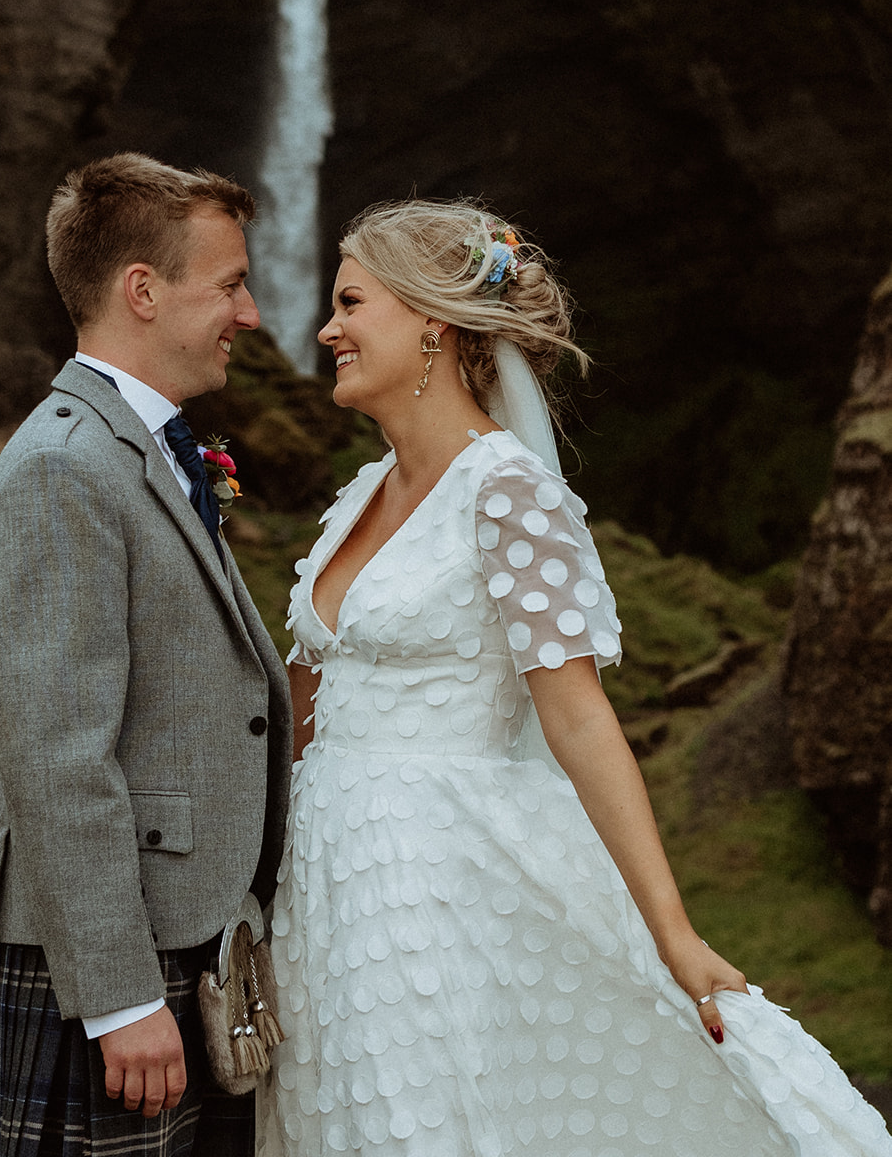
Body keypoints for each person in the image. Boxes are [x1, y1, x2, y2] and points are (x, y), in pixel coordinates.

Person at [258, 198, 892, 1157]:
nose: (326, 330)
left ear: (432, 318)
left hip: (445, 886)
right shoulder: (358, 497)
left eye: (350, 303)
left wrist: (671, 933)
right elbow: (306, 710)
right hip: (323, 888)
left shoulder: (507, 491)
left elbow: (579, 720)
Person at [0, 153, 292, 1157]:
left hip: (176, 934)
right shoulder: (64, 470)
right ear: (142, 291)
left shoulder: (139, 450)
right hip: (109, 962)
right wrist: (116, 999)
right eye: (231, 283)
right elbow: (56, 754)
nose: (250, 314)